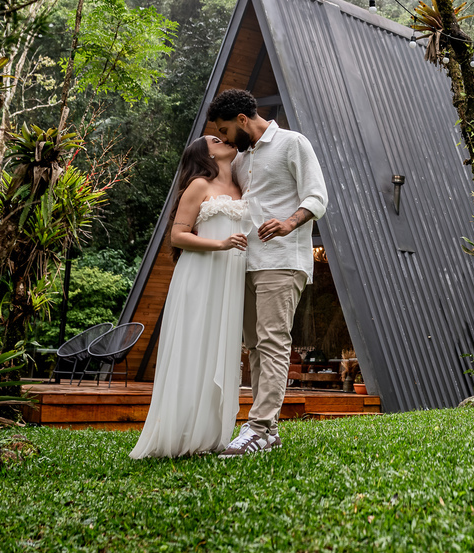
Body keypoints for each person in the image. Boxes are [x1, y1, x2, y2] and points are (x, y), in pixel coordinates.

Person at [209, 88, 328, 457]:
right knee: (256, 347)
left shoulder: (293, 143)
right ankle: (268, 431)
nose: (226, 138)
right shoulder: (241, 160)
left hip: (283, 259)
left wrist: (289, 223)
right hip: (245, 261)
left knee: (273, 341)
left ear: (243, 120)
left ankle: (259, 426)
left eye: (227, 130)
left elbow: (317, 197)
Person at [130, 135, 249, 459]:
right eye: (215, 139)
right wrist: (221, 244)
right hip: (200, 276)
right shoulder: (198, 184)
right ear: (204, 153)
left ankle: (209, 435)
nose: (223, 139)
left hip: (229, 280)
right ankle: (179, 433)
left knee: (219, 349)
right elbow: (178, 235)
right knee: (194, 346)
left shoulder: (242, 186)